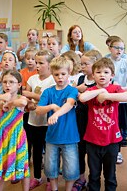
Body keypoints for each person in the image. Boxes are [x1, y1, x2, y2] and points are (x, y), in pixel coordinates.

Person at [79, 57, 127, 191]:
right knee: (94, 175)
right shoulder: (91, 91)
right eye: (98, 72)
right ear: (93, 75)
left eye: (106, 72)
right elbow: (82, 98)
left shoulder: (115, 88)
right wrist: (100, 91)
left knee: (110, 175)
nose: (102, 75)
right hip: (92, 140)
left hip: (112, 140)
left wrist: (107, 96)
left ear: (112, 75)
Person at [36, 56, 80, 191]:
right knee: (50, 167)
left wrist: (56, 113)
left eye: (63, 74)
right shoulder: (48, 91)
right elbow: (38, 110)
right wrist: (51, 107)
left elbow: (69, 104)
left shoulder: (72, 90)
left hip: (70, 137)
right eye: (56, 74)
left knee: (71, 168)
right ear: (52, 73)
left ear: (69, 73)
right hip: (52, 137)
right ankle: (54, 188)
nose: (60, 77)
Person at [0, 70, 30, 191]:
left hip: (17, 136)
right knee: (1, 163)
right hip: (3, 136)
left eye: (11, 82)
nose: (7, 85)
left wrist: (11, 103)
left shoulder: (21, 98)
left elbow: (23, 102)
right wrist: (0, 97)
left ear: (19, 84)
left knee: (22, 164)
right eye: (5, 82)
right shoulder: (0, 99)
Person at [22, 49, 56, 190]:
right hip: (33, 121)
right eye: (36, 62)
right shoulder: (32, 79)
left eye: (41, 63)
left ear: (50, 65)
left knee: (49, 153)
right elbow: (26, 96)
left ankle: (50, 179)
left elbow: (51, 100)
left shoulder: (53, 80)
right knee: (36, 152)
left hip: (48, 123)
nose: (37, 65)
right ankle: (37, 177)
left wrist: (32, 95)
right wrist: (29, 101)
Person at [72, 50, 102, 191]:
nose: (82, 66)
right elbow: (71, 94)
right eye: (81, 63)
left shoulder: (100, 81)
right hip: (79, 120)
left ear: (95, 65)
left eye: (86, 64)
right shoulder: (79, 79)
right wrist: (78, 89)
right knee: (79, 150)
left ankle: (94, 179)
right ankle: (80, 177)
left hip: (94, 121)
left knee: (92, 153)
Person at [107, 37, 127, 164]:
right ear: (110, 48)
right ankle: (107, 150)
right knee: (108, 125)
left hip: (122, 100)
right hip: (108, 99)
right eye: (116, 47)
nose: (119, 50)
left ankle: (118, 152)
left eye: (122, 48)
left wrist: (124, 88)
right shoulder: (105, 61)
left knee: (120, 127)